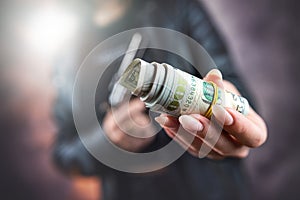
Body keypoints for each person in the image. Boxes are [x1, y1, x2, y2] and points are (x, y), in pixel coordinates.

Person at [53, 0, 267, 199]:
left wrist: (230, 107)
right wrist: (107, 141)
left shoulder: (178, 7)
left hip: (208, 189)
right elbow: (64, 153)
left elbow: (235, 91)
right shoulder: (66, 53)